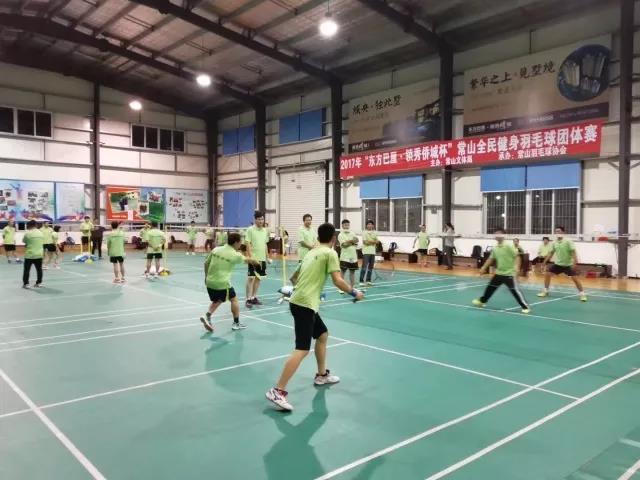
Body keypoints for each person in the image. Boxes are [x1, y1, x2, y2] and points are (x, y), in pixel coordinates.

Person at [265, 223, 364, 412]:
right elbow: (338, 280)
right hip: (305, 304)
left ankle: (321, 375)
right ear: (333, 239)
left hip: (301, 301)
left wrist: (309, 286)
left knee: (322, 335)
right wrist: (354, 292)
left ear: (318, 237)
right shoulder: (330, 253)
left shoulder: (311, 252)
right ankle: (277, 390)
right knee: (302, 349)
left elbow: (294, 277)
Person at [200, 232, 261, 333]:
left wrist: (206, 277)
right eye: (240, 242)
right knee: (234, 299)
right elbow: (249, 260)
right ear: (236, 242)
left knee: (219, 299)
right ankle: (236, 323)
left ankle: (207, 315)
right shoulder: (235, 255)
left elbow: (206, 263)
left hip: (209, 282)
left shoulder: (216, 249)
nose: (240, 244)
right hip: (222, 283)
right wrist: (257, 263)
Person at [472, 228, 530, 313]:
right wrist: (483, 268)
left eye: (499, 234)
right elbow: (490, 259)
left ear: (503, 235)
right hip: (499, 273)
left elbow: (517, 256)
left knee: (514, 290)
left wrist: (517, 268)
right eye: (495, 234)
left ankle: (525, 306)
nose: (497, 235)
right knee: (490, 287)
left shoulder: (509, 246)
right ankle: (482, 301)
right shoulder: (495, 248)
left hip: (509, 273)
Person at [537, 226, 587, 302]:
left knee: (575, 279)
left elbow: (573, 252)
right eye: (556, 231)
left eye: (559, 231)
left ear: (563, 232)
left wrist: (575, 263)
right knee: (547, 274)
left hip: (568, 265)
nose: (557, 233)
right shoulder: (554, 242)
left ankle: (582, 294)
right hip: (558, 264)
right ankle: (545, 291)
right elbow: (551, 253)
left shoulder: (568, 241)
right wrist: (544, 262)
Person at [245, 211, 269, 308]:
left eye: (262, 219)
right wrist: (251, 257)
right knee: (251, 278)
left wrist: (267, 257)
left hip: (262, 258)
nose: (261, 221)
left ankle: (254, 297)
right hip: (253, 258)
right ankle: (248, 299)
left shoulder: (265, 231)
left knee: (258, 278)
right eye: (259, 219)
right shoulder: (250, 230)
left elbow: (265, 244)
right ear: (255, 220)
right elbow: (248, 243)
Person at [337, 219, 358, 293]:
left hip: (353, 256)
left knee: (352, 272)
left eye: (348, 225)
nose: (347, 226)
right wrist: (352, 241)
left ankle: (352, 288)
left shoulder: (353, 233)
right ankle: (341, 288)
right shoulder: (340, 235)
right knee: (343, 272)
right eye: (345, 225)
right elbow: (344, 245)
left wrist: (349, 242)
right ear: (342, 226)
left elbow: (356, 241)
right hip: (344, 257)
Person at [22, 220, 44, 289]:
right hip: (39, 254)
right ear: (36, 225)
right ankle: (39, 283)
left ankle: (26, 284)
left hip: (29, 255)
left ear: (29, 225)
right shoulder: (41, 233)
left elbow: (24, 241)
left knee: (27, 270)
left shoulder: (27, 233)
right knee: (39, 270)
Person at [359, 220, 378, 286]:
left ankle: (368, 280)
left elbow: (377, 241)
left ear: (373, 225)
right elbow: (365, 242)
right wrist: (373, 241)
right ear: (366, 225)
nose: (370, 225)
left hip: (373, 252)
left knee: (370, 267)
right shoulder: (364, 233)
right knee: (364, 267)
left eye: (371, 224)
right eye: (368, 224)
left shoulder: (375, 233)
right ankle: (361, 281)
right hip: (366, 252)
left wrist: (370, 241)